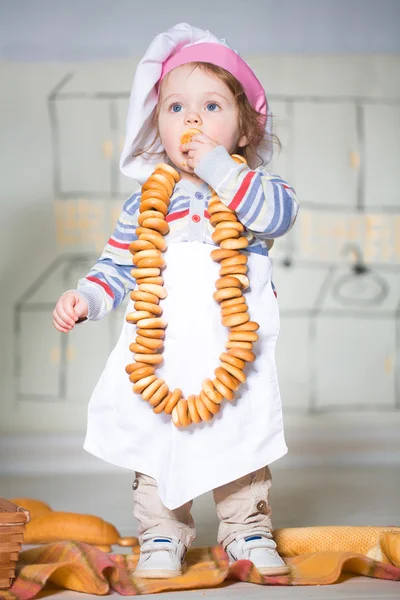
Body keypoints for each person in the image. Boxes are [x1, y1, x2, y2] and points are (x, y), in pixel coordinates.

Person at [52, 23, 299, 579]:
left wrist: (219, 167)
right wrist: (87, 298)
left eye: (211, 106)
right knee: (156, 442)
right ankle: (161, 534)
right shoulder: (147, 201)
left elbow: (274, 219)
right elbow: (118, 266)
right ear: (155, 123)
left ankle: (246, 530)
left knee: (239, 438)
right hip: (161, 349)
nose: (191, 120)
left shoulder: (257, 188)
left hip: (234, 353)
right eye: (175, 107)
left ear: (243, 131)